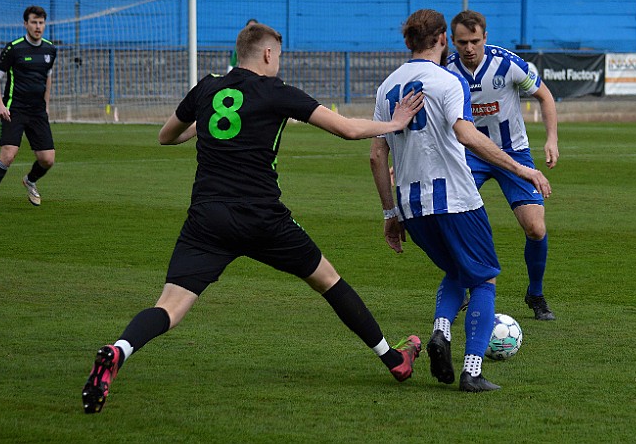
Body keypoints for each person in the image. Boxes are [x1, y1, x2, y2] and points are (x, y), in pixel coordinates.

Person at [82, 22, 424, 414]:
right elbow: (346, 129)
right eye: (278, 54)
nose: (279, 60)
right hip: (263, 217)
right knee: (328, 280)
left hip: (207, 219)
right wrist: (395, 123)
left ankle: (118, 349)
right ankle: (393, 359)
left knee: (170, 306)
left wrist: (212, 127)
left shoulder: (207, 87)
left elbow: (166, 136)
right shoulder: (275, 91)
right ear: (266, 54)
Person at [370, 9, 551, 391]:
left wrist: (390, 213)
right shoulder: (449, 81)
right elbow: (467, 135)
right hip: (455, 199)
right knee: (483, 280)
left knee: (456, 271)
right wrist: (523, 170)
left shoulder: (386, 87)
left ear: (407, 42)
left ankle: (441, 332)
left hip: (410, 206)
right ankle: (472, 370)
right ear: (443, 40)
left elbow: (376, 155)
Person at [446, 9, 559, 321]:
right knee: (457, 223)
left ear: (485, 38)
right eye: (462, 42)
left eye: (474, 41)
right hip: (468, 155)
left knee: (536, 228)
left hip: (514, 152)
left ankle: (535, 293)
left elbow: (545, 97)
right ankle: (469, 291)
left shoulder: (508, 64)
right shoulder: (445, 69)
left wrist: (551, 139)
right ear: (452, 41)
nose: (468, 48)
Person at [0, 6, 57, 214]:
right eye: (34, 22)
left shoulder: (50, 49)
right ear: (26, 24)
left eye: (41, 23)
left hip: (38, 111)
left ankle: (30, 180)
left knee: (47, 159)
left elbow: (47, 77)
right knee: (8, 154)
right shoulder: (14, 48)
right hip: (14, 109)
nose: (38, 26)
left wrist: (46, 104)